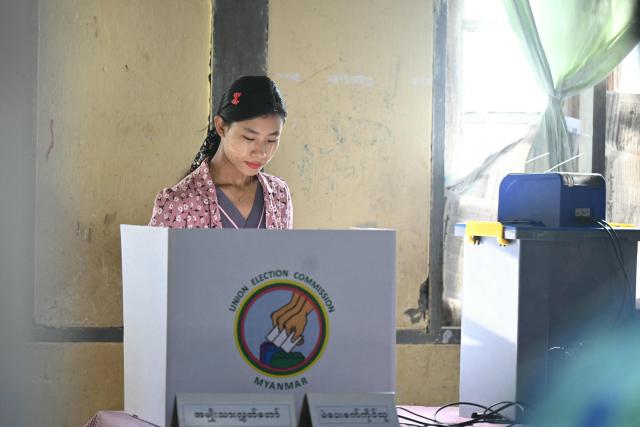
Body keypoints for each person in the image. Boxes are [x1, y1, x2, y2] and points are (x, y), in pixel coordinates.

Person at [148, 76, 292, 229]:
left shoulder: (279, 194)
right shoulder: (177, 203)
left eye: (271, 140)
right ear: (221, 126)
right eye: (249, 138)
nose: (261, 153)